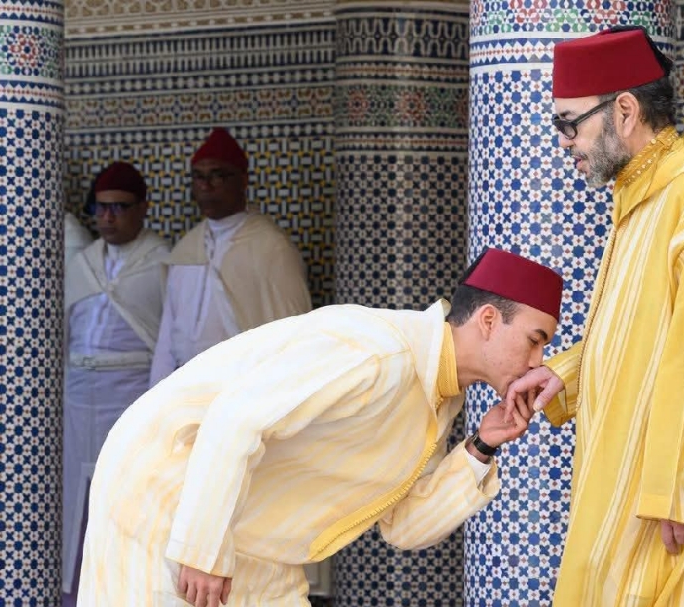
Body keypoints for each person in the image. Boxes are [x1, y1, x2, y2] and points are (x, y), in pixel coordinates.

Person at [78, 248, 564, 607]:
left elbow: (404, 527)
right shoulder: (379, 352)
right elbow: (236, 419)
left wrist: (481, 446)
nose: (537, 360)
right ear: (487, 320)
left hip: (260, 543)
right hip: (169, 496)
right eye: (535, 340)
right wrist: (201, 549)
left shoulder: (438, 397)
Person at [505, 26, 684, 606]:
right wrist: (565, 374)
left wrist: (683, 488)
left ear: (624, 111)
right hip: (622, 498)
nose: (565, 142)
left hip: (663, 510)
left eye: (569, 123)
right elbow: (643, 338)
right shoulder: (644, 197)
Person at [62, 161, 171, 603]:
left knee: (126, 492)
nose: (107, 217)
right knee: (74, 495)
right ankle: (74, 590)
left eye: (119, 208)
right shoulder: (82, 262)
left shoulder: (162, 261)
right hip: (77, 395)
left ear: (143, 208)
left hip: (131, 393)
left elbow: (169, 338)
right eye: (101, 208)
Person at [149, 127, 311, 386]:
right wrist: (157, 393)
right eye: (198, 177)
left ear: (243, 180)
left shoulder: (270, 247)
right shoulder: (187, 249)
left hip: (244, 387)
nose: (206, 186)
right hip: (186, 386)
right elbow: (168, 336)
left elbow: (293, 335)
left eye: (218, 176)